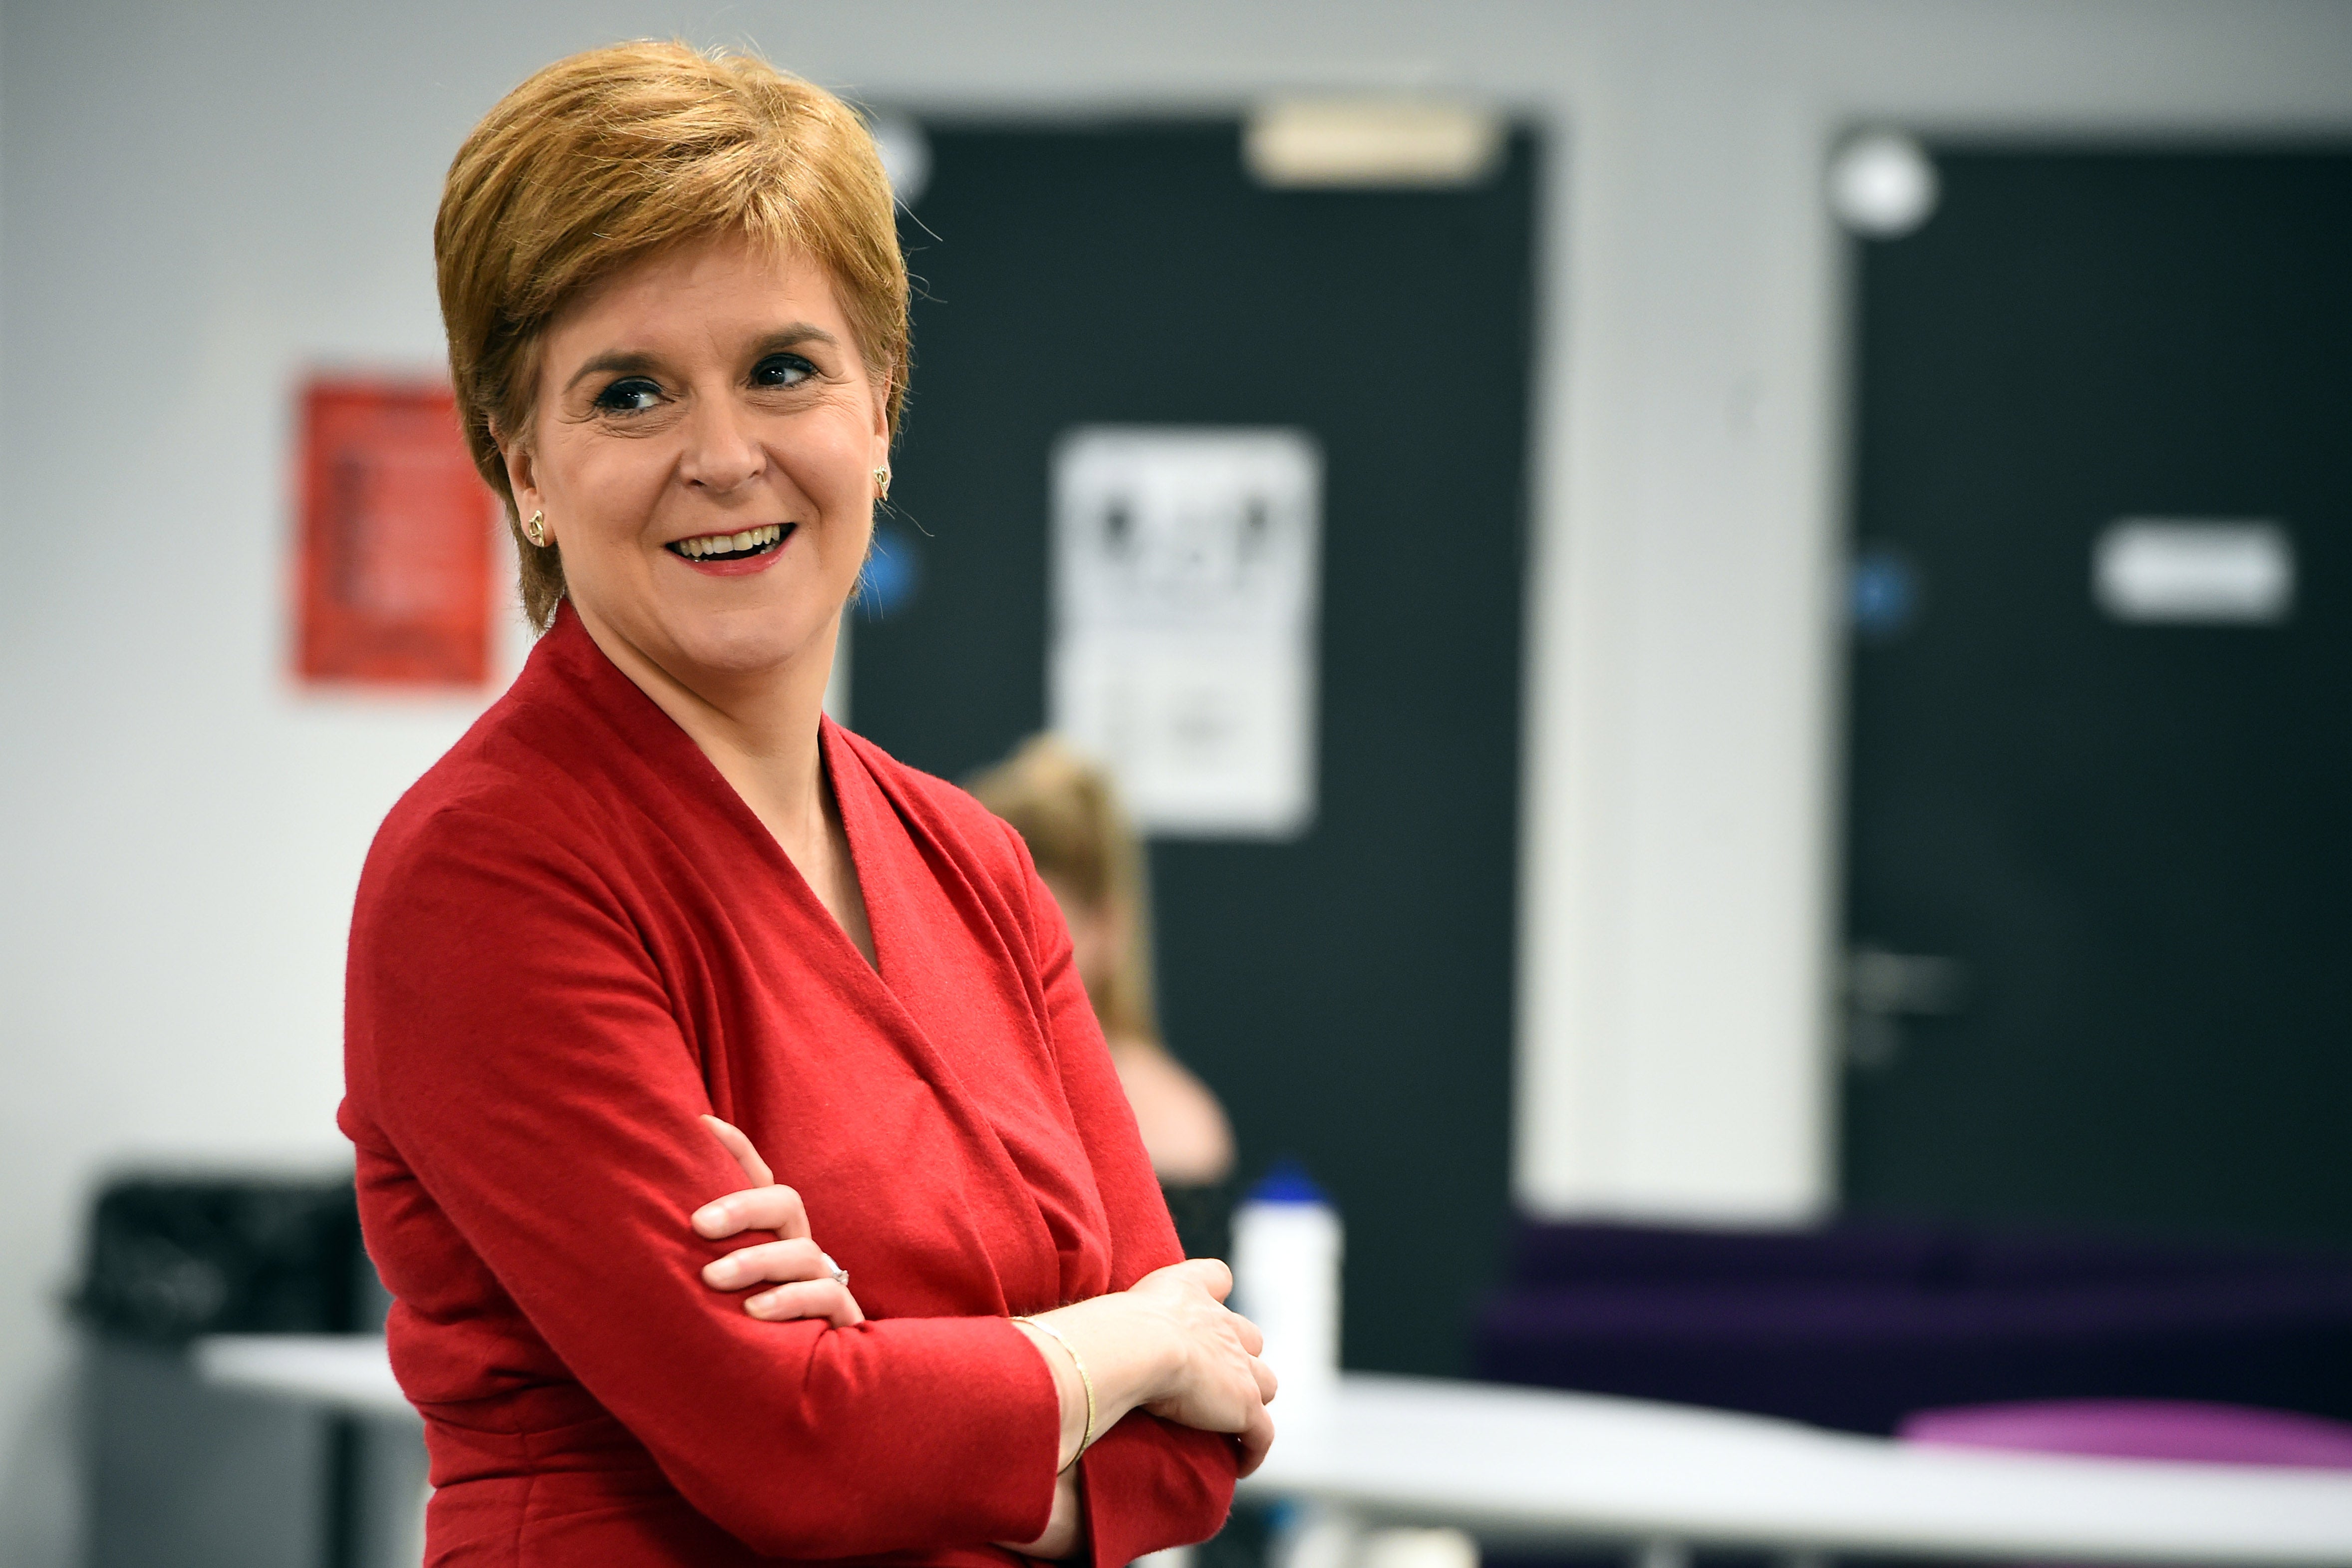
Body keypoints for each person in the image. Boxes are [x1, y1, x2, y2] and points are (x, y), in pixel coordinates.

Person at [337, 41, 1273, 1568]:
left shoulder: (972, 863)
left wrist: (885, 1388)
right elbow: (791, 1448)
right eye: (628, 393)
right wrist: (1106, 1349)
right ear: (523, 467)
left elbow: (1200, 1447)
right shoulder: (489, 871)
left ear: (881, 406)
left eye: (783, 368)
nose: (723, 456)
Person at [967, 738, 1236, 1261]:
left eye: (1035, 926)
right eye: (983, 915)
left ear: (1107, 928)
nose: (1003, 950)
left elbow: (1188, 1323)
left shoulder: (1175, 1128)